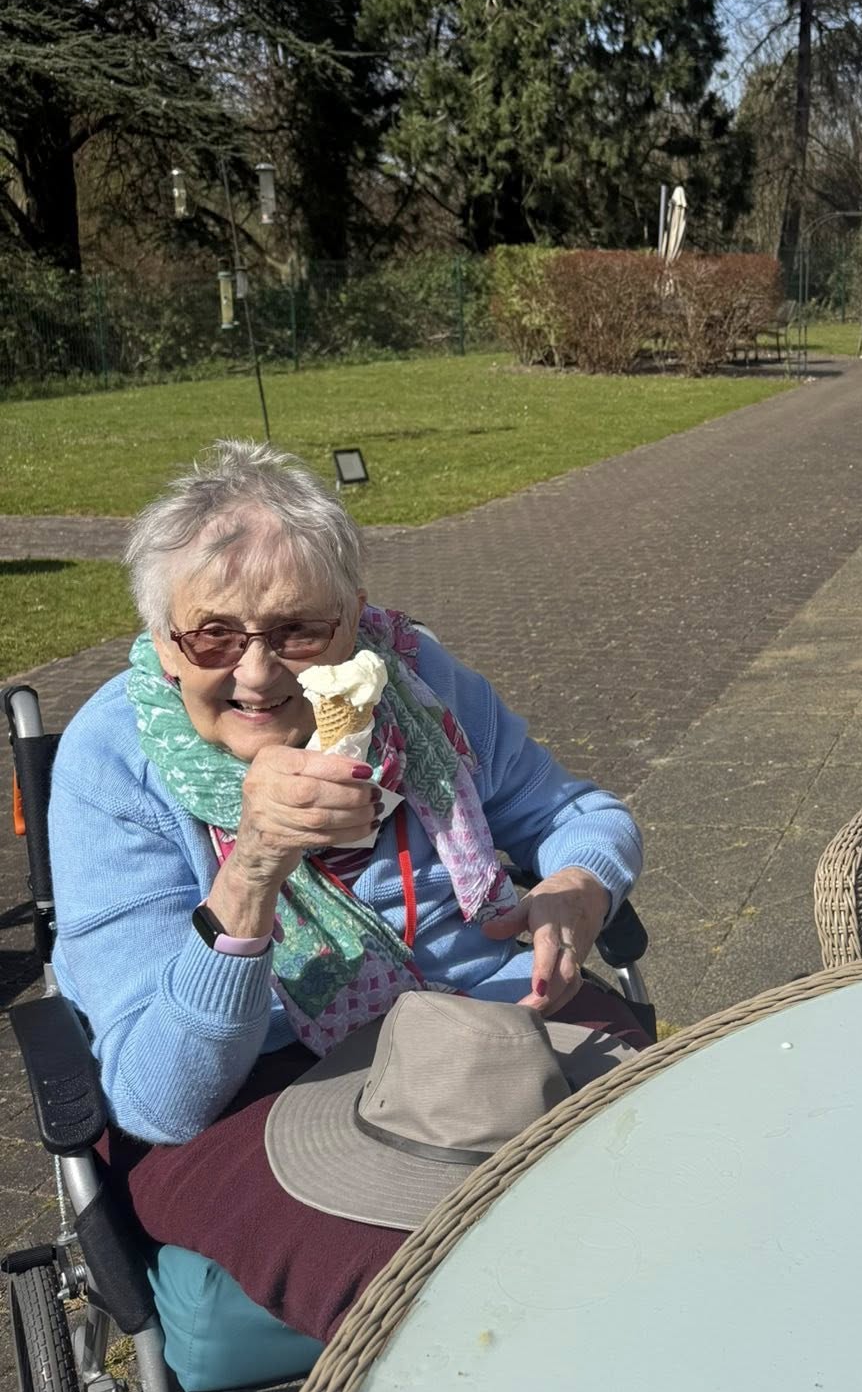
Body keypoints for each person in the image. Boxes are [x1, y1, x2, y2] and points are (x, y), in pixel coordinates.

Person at [48, 440, 646, 1344]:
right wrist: (252, 869)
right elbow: (158, 1100)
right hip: (253, 1083)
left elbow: (577, 813)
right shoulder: (114, 762)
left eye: (298, 631)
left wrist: (579, 883)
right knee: (451, 1299)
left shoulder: (419, 685)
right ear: (165, 643)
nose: (257, 673)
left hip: (483, 1021)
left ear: (355, 619)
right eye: (214, 635)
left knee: (684, 1166)